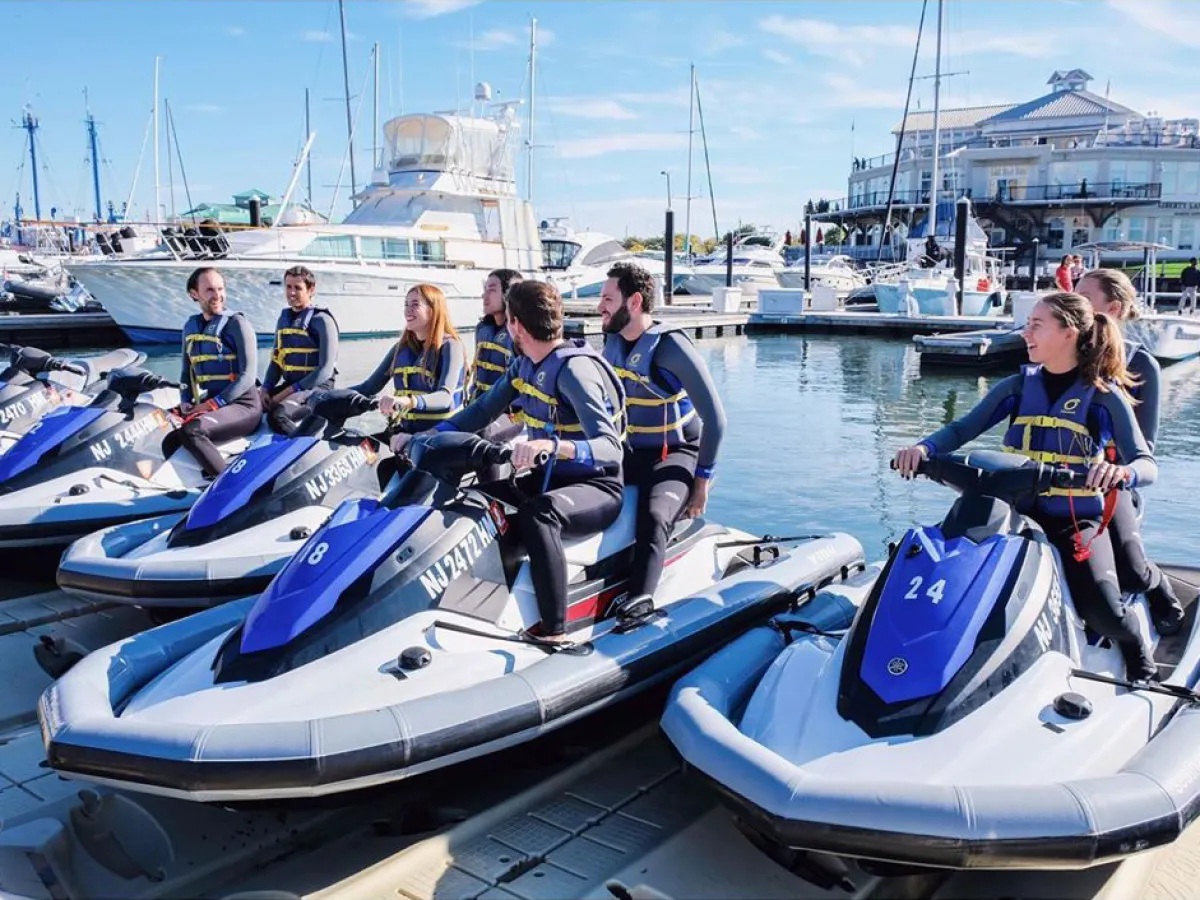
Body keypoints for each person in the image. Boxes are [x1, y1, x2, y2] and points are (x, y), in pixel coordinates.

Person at [894, 292, 1160, 681]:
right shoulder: (1018, 386)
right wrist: (923, 448)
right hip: (1011, 515)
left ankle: (1135, 643)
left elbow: (1146, 464)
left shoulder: (1104, 396)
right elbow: (962, 429)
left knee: (1103, 611)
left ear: (1069, 332)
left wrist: (1123, 474)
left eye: (1036, 325)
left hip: (1072, 520)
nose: (1025, 334)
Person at [395, 280, 626, 643]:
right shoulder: (524, 366)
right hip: (548, 478)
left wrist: (553, 445)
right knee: (475, 501)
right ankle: (479, 606)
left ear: (516, 325)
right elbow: (480, 412)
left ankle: (555, 631)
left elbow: (611, 448)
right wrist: (422, 437)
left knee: (539, 515)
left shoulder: (574, 371)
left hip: (597, 486)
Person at [598, 261, 726, 601]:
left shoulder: (671, 348)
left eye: (608, 299)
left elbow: (716, 419)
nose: (599, 307)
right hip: (630, 451)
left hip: (675, 454)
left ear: (635, 302)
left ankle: (641, 601)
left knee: (654, 517)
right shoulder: (610, 342)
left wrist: (701, 485)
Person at [1075, 268, 1185, 633]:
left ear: (1115, 308)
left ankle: (1158, 589)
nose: (1076, 305)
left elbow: (1144, 450)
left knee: (1132, 571)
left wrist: (1114, 473)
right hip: (1061, 480)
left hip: (1113, 483)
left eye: (1086, 299)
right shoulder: (1060, 355)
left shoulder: (1140, 365)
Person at [350, 283, 466, 487]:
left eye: (415, 304)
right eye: (405, 304)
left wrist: (406, 401)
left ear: (433, 310)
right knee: (355, 453)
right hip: (402, 432)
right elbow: (369, 387)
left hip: (436, 436)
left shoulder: (451, 347)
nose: (408, 310)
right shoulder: (401, 348)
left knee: (396, 475)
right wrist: (323, 395)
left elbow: (445, 397)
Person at [163, 267, 262, 477]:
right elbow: (185, 373)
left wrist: (211, 405)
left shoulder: (237, 324)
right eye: (209, 290)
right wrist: (185, 400)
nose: (217, 295)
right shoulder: (191, 326)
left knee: (192, 431)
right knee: (163, 429)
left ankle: (229, 486)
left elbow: (248, 376)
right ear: (194, 294)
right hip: (211, 404)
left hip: (244, 406)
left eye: (220, 289)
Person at [260, 265, 340, 435]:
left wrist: (285, 393)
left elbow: (325, 370)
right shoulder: (284, 319)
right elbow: (276, 360)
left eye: (298, 288)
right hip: (292, 385)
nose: (292, 293)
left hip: (317, 389)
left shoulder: (322, 321)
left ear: (311, 290)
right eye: (288, 287)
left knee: (277, 416)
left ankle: (301, 450)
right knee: (251, 404)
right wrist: (266, 388)